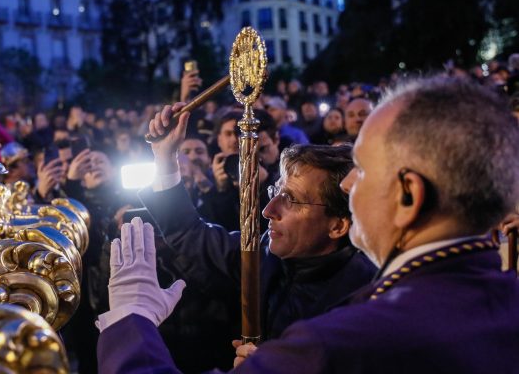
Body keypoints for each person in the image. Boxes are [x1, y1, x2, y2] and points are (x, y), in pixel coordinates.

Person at [96, 76, 519, 373]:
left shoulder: (339, 343)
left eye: (364, 168)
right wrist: (164, 162)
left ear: (408, 194)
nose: (352, 182)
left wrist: (130, 319)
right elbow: (196, 239)